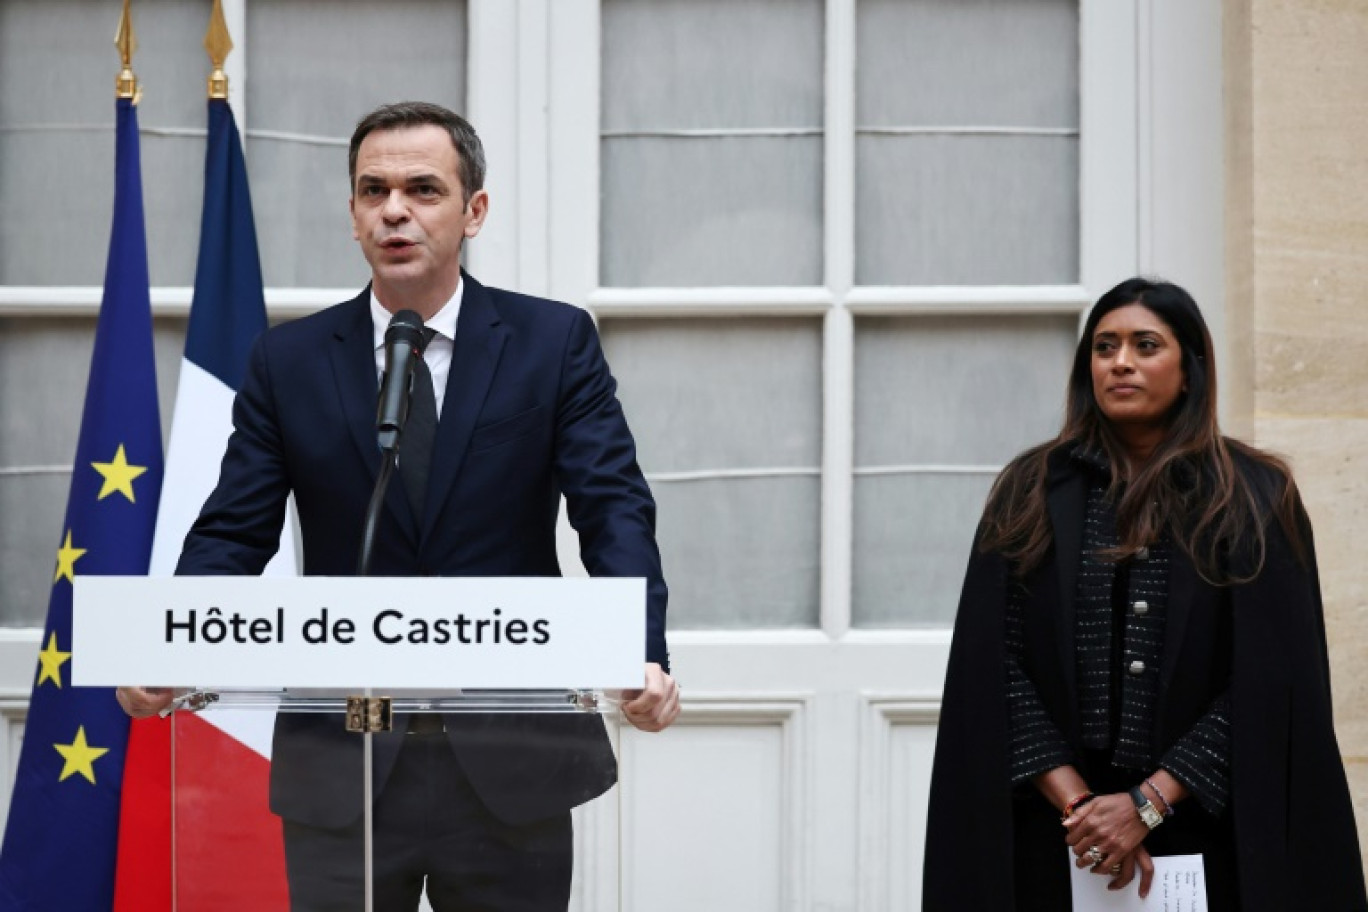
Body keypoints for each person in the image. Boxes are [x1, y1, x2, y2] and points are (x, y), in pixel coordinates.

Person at [117, 100, 679, 911]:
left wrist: (642, 653)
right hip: (342, 755)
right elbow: (234, 530)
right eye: (372, 190)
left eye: (423, 189)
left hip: (507, 761)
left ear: (473, 210)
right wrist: (169, 640)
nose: (395, 210)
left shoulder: (553, 343)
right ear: (352, 213)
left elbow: (613, 507)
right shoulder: (291, 360)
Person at [923, 278, 1367, 911]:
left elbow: (1274, 679)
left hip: (1213, 824)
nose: (1121, 362)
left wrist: (1148, 803)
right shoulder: (1030, 489)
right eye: (1105, 347)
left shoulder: (1255, 495)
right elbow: (994, 666)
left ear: (1189, 370)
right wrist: (1084, 809)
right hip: (1058, 829)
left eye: (1145, 344)